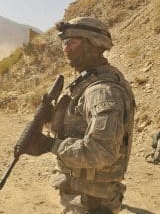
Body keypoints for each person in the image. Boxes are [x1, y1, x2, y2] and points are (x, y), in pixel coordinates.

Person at [24, 17, 136, 214]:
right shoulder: (89, 82)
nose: (65, 50)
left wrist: (51, 145)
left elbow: (101, 150)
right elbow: (78, 126)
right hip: (84, 193)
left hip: (91, 200)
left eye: (71, 43)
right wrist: (53, 117)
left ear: (93, 44)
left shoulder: (102, 90)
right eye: (64, 44)